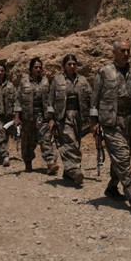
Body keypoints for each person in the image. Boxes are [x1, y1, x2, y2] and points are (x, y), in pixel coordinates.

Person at [89, 40, 131, 212]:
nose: (126, 54)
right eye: (122, 51)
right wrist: (94, 123)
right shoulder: (104, 72)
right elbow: (94, 99)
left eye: (128, 51)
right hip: (111, 122)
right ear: (114, 53)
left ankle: (111, 188)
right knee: (122, 156)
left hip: (129, 121)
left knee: (123, 157)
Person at [47, 54, 92, 185]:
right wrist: (51, 119)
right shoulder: (57, 80)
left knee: (75, 143)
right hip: (63, 116)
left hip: (79, 116)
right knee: (69, 142)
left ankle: (68, 173)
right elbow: (50, 102)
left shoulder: (83, 80)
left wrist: (94, 117)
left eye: (74, 64)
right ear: (64, 66)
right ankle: (75, 170)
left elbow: (90, 98)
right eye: (69, 64)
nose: (72, 66)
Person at [14, 57, 59, 175]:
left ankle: (50, 163)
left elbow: (50, 101)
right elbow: (18, 100)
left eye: (40, 67)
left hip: (42, 116)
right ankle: (28, 162)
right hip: (27, 117)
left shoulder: (45, 82)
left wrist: (51, 118)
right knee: (27, 142)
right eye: (35, 67)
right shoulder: (24, 82)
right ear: (31, 68)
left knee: (45, 139)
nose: (38, 69)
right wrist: (17, 117)